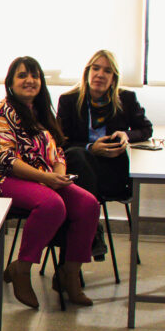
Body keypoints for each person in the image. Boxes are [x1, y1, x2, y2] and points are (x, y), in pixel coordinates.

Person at [0, 56, 100, 309]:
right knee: (52, 205)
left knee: (88, 204)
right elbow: (4, 158)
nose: (30, 80)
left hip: (45, 179)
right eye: (22, 75)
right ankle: (21, 268)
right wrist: (45, 178)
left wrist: (58, 174)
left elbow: (57, 150)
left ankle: (69, 273)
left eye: (34, 76)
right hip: (6, 179)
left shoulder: (42, 111)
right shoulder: (2, 111)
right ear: (10, 82)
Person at [56, 50, 153, 258]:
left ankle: (87, 236)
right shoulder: (69, 100)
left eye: (107, 71)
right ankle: (92, 229)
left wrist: (125, 134)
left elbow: (146, 129)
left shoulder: (126, 99)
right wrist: (91, 148)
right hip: (80, 173)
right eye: (96, 68)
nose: (100, 74)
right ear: (87, 72)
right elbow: (61, 141)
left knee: (73, 188)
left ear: (113, 78)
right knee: (78, 155)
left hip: (111, 174)